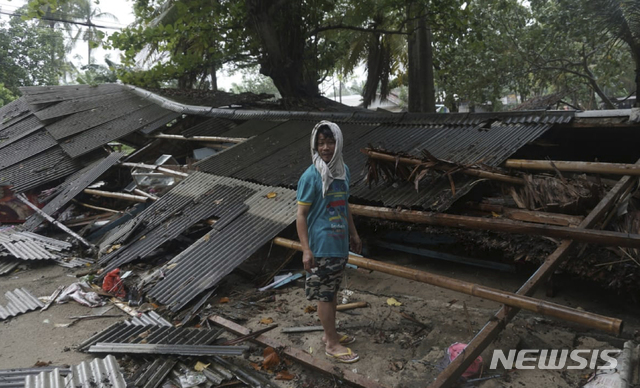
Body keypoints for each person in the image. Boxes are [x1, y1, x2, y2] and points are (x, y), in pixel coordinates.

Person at [296, 120, 362, 363]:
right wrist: (305, 250)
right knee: (325, 295)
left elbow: (344, 206)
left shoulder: (343, 171)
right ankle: (332, 344)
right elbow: (301, 215)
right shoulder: (310, 176)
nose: (325, 148)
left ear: (339, 143)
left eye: (330, 142)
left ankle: (329, 335)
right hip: (321, 245)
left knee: (332, 291)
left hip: (339, 243)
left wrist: (353, 234)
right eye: (321, 143)